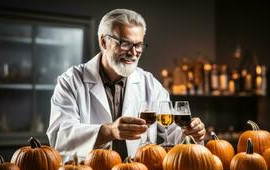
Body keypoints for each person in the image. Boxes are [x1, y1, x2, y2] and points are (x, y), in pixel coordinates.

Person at [46, 9, 206, 160]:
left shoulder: (149, 83)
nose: (133, 52)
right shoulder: (71, 81)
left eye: (138, 45)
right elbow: (59, 136)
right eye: (124, 44)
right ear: (103, 42)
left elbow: (171, 136)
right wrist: (108, 131)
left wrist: (191, 134)